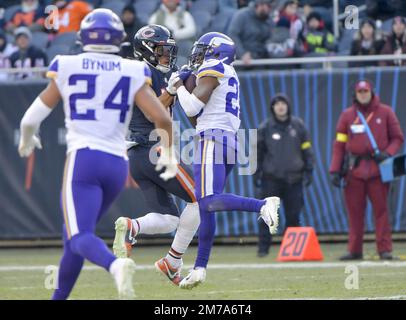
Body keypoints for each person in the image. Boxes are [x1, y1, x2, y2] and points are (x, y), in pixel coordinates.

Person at [17, 9, 177, 300]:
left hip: (84, 161)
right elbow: (162, 119)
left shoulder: (67, 64)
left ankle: (115, 266)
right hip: (116, 165)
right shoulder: (132, 69)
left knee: (80, 237)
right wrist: (167, 153)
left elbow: (30, 120)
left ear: (83, 36)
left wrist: (28, 139)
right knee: (75, 239)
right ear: (118, 39)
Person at [170, 32, 280, 289]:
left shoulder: (214, 66)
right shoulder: (228, 72)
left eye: (203, 49)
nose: (198, 54)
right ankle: (199, 267)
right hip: (226, 140)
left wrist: (177, 87)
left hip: (213, 140)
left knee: (207, 201)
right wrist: (185, 86)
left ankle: (262, 205)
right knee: (208, 207)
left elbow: (190, 108)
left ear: (215, 51)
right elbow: (196, 119)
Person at [112, 24, 200, 287]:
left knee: (169, 219)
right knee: (202, 199)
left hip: (139, 157)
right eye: (161, 51)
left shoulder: (147, 72)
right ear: (146, 51)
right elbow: (153, 113)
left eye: (168, 51)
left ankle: (132, 227)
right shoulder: (141, 71)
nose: (167, 56)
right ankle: (173, 261)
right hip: (153, 149)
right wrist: (171, 92)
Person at [329, 79, 404, 261]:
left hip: (379, 170)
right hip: (354, 171)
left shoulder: (385, 112)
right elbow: (339, 144)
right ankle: (355, 250)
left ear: (372, 92)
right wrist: (334, 169)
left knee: (382, 211)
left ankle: (384, 250)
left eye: (366, 91)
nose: (363, 94)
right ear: (355, 94)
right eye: (360, 92)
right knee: (355, 213)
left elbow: (397, 138)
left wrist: (388, 153)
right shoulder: (347, 116)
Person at [254, 93, 314, 257]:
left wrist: (309, 169)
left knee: (293, 215)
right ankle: (263, 249)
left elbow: (307, 149)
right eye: (277, 104)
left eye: (283, 104)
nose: (280, 107)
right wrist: (256, 173)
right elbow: (257, 153)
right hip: (271, 179)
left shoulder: (298, 126)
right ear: (272, 108)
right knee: (267, 215)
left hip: (294, 179)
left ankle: (292, 250)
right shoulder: (265, 127)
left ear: (288, 106)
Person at [228, 0, 274, 65]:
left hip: (262, 60)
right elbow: (233, 36)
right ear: (260, 5)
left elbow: (270, 38)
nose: (268, 10)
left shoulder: (268, 19)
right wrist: (242, 54)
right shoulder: (241, 15)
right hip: (242, 62)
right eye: (267, 6)